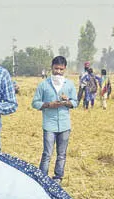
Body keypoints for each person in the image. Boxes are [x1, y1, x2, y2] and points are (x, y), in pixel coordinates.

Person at [32, 56, 78, 185]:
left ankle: (58, 178)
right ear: (51, 67)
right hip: (49, 125)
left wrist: (67, 101)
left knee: (61, 154)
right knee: (47, 153)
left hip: (64, 124)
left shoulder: (69, 84)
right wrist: (48, 105)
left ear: (65, 69)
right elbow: (35, 103)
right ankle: (42, 178)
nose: (58, 72)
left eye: (61, 69)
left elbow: (75, 102)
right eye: (56, 68)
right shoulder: (44, 84)